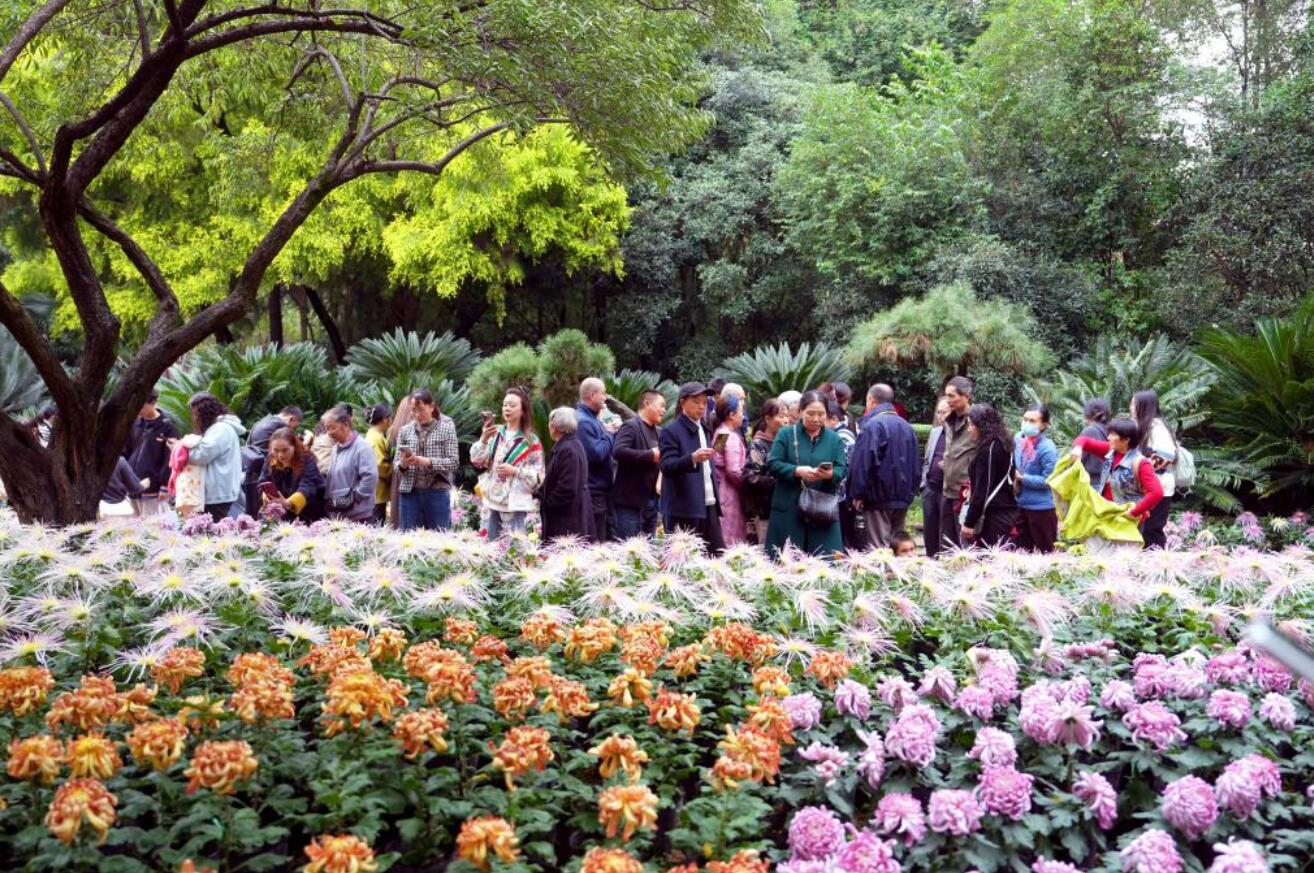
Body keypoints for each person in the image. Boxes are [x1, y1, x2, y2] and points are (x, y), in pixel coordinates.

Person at [766, 390, 848, 558]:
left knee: (825, 562)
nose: (816, 419)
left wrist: (830, 474)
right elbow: (773, 463)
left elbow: (842, 469)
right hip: (789, 506)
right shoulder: (786, 434)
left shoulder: (834, 439)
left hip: (822, 510)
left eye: (821, 414)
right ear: (800, 411)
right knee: (786, 561)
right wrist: (797, 471)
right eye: (810, 413)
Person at [848, 384, 921, 550]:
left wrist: (857, 493)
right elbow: (916, 464)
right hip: (902, 498)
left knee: (879, 549)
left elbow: (863, 462)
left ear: (871, 401)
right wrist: (911, 492)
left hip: (877, 498)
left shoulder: (872, 426)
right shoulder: (907, 427)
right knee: (898, 548)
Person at [1071, 416, 1165, 543]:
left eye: (1113, 434)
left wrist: (1135, 512)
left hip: (1128, 521)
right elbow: (1083, 440)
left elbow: (1157, 492)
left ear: (1126, 439)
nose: (1108, 437)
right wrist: (1078, 448)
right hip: (1108, 515)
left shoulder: (1140, 463)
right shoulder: (1110, 451)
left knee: (1124, 554)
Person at [659, 382, 726, 555]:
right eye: (696, 402)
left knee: (717, 557)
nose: (701, 406)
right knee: (684, 560)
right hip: (684, 508)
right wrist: (692, 459)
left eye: (704, 402)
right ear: (683, 402)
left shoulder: (704, 428)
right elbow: (666, 466)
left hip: (709, 503)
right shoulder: (671, 431)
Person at [471, 387, 545, 539]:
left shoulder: (531, 441)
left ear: (523, 410)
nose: (507, 408)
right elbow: (477, 462)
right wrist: (483, 440)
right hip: (491, 501)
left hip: (515, 504)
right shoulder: (495, 433)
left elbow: (539, 477)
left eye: (512, 405)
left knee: (514, 546)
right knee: (489, 545)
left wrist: (515, 471)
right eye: (505, 405)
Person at [174, 392, 246, 523]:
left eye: (195, 414)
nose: (194, 418)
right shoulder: (219, 428)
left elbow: (202, 455)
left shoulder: (220, 429)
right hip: (219, 491)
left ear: (205, 413)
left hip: (217, 494)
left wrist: (179, 448)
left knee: (212, 530)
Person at [394, 389, 460, 531]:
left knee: (439, 539)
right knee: (408, 539)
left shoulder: (446, 429)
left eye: (421, 410)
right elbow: (396, 465)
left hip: (437, 493)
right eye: (413, 410)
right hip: (409, 494)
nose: (417, 415)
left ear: (432, 406)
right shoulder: (405, 431)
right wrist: (403, 464)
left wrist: (428, 462)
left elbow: (454, 462)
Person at [959, 404, 1019, 549]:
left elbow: (983, 490)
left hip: (993, 517)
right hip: (1005, 512)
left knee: (989, 559)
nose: (969, 429)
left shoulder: (990, 450)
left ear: (983, 426)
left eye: (971, 425)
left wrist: (969, 523)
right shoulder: (1003, 443)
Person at [612, 389, 666, 539]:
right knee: (630, 548)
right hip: (630, 503)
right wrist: (650, 455)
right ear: (647, 403)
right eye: (661, 405)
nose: (664, 410)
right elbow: (618, 451)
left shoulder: (659, 432)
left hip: (652, 502)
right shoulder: (630, 426)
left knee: (650, 549)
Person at [1130, 390, 1178, 550]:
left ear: (1143, 406)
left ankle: (1158, 560)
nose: (1131, 407)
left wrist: (1141, 469)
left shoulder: (1156, 427)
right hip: (1149, 486)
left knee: (1152, 529)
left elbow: (1167, 456)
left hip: (1159, 486)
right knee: (1145, 528)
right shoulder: (1145, 426)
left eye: (1133, 404)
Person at [122, 389, 179, 516]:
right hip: (132, 486)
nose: (138, 410)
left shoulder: (168, 427)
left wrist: (164, 485)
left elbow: (170, 458)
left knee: (152, 526)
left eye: (141, 406)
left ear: (153, 402)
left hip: (153, 489)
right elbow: (126, 451)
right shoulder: (135, 424)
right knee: (133, 526)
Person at [540, 407, 593, 542]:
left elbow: (567, 488)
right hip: (571, 516)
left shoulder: (567, 449)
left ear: (554, 426)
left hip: (566, 521)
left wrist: (546, 503)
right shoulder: (571, 444)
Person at [938, 376, 977, 554]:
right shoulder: (949, 421)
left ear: (966, 396)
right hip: (947, 491)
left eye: (952, 396)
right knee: (947, 546)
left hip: (966, 495)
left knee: (966, 549)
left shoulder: (977, 420)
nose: (948, 400)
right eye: (946, 395)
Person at [1012, 403, 1059, 552]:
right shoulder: (1018, 438)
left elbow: (1049, 480)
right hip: (1020, 506)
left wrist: (1022, 478)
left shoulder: (1048, 448)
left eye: (1032, 421)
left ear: (1044, 425)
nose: (1027, 424)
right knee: (1020, 554)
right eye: (1025, 419)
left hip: (1041, 509)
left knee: (1045, 554)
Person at [242, 405, 303, 517]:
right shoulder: (281, 427)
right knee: (265, 516)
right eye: (294, 427)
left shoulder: (261, 422)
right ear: (292, 419)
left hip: (250, 473)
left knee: (251, 514)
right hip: (263, 475)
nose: (292, 430)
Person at [576, 377, 617, 542]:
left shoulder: (593, 419)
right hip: (594, 492)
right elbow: (596, 454)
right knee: (597, 541)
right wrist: (609, 433)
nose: (605, 398)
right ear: (592, 395)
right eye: (603, 393)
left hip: (601, 491)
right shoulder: (583, 422)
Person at [321, 406, 378, 523]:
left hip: (359, 515)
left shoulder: (362, 447)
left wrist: (355, 498)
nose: (329, 433)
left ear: (346, 424)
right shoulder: (336, 447)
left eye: (332, 428)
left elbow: (370, 477)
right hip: (340, 514)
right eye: (327, 429)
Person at [743, 399, 788, 546]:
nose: (786, 420)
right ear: (767, 419)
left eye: (787, 416)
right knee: (767, 550)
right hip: (764, 510)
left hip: (784, 508)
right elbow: (751, 478)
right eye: (781, 416)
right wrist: (779, 481)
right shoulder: (758, 445)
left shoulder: (785, 443)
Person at [257, 427, 325, 523]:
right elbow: (263, 481)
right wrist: (268, 497)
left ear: (294, 446)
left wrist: (289, 503)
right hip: (283, 514)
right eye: (276, 450)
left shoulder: (307, 458)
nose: (280, 455)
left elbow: (308, 485)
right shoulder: (270, 458)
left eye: (285, 450)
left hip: (311, 513)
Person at [712, 394, 749, 545]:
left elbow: (715, 459)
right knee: (730, 541)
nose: (743, 416)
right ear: (731, 415)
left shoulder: (721, 433)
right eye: (741, 411)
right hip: (730, 496)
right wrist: (748, 486)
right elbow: (733, 471)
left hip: (720, 490)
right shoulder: (730, 437)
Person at [827, 400, 862, 550]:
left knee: (842, 536)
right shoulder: (841, 434)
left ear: (833, 419)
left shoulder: (842, 437)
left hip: (842, 497)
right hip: (842, 496)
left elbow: (847, 469)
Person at [920, 397, 950, 558]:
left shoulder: (960, 434)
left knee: (946, 530)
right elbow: (927, 458)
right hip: (930, 487)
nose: (940, 416)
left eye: (944, 412)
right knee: (929, 529)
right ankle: (930, 559)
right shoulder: (935, 432)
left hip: (948, 490)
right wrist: (924, 484)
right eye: (938, 412)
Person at [387, 395, 416, 529]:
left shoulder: (393, 430)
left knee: (398, 516)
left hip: (397, 474)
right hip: (411, 471)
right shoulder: (412, 430)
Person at [365, 404, 392, 524]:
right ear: (385, 419)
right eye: (390, 418)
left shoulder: (373, 434)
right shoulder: (375, 438)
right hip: (377, 492)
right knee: (376, 525)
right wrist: (392, 470)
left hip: (376, 491)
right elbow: (378, 465)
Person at [1078, 398, 1112, 483]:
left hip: (1092, 481)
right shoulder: (1112, 429)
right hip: (1108, 479)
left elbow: (1078, 458)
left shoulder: (1089, 431)